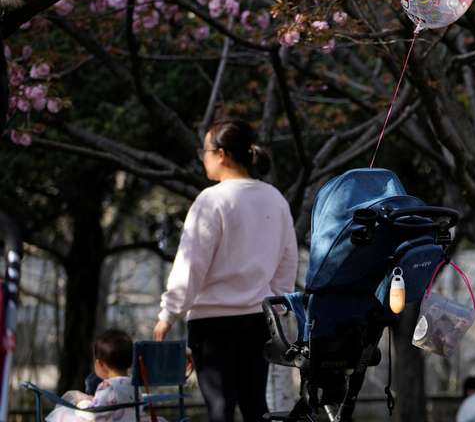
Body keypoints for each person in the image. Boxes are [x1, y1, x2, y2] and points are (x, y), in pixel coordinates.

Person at [154, 119, 298, 422]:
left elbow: (190, 265)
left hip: (213, 323)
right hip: (259, 319)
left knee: (220, 408)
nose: (201, 157)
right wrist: (279, 306)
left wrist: (168, 314)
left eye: (204, 150)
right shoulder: (275, 198)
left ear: (221, 154)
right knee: (255, 406)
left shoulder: (212, 200)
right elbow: (288, 260)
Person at [46, 329, 136, 422]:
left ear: (100, 364)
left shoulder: (106, 386)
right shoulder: (134, 384)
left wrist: (82, 403)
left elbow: (94, 414)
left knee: (62, 413)